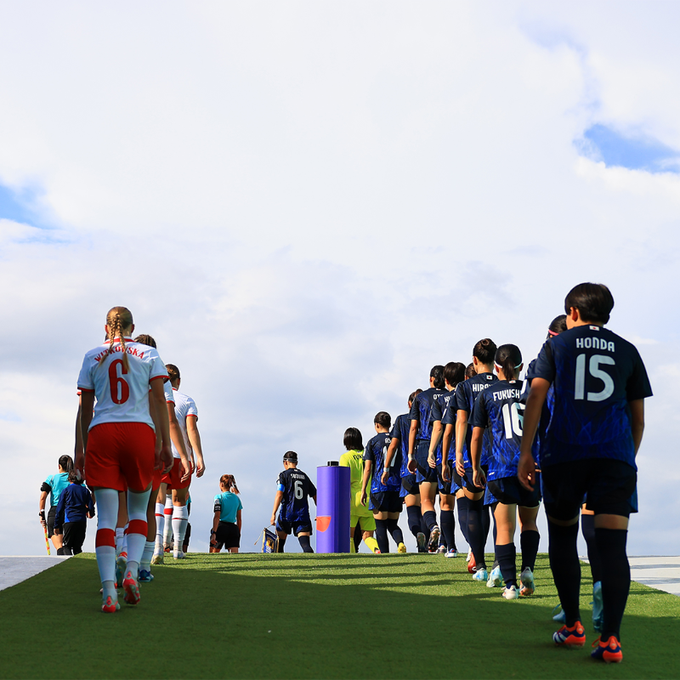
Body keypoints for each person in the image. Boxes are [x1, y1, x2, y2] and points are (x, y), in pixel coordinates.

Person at [518, 283, 652, 663]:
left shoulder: (556, 346)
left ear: (572, 313)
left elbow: (536, 395)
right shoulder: (628, 350)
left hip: (565, 455)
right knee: (612, 548)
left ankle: (573, 625)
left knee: (563, 534)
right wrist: (626, 458)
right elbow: (637, 418)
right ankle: (610, 639)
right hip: (615, 457)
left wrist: (526, 452)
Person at [78, 306, 173, 613]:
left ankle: (109, 592)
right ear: (134, 327)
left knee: (106, 518)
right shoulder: (148, 354)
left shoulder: (92, 355)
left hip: (102, 433)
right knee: (137, 513)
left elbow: (85, 406)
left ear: (106, 328)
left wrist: (81, 447)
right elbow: (159, 400)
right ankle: (131, 572)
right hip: (139, 434)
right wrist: (164, 444)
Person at [469, 344, 541, 600]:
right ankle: (528, 569)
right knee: (529, 522)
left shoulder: (486, 395)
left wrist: (476, 467)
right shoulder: (532, 389)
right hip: (532, 466)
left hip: (500, 467)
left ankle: (510, 585)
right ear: (521, 367)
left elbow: (476, 437)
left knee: (504, 528)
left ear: (496, 368)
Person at [455, 339, 498, 581]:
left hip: (475, 452)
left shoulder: (465, 387)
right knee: (498, 510)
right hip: (501, 452)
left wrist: (460, 453)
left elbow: (462, 421)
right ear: (495, 360)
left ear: (474, 360)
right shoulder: (503, 384)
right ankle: (499, 563)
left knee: (474, 507)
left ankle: (479, 565)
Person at [163, 363, 204, 560]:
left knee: (159, 500)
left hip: (158, 455)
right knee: (180, 501)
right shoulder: (187, 401)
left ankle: (158, 547)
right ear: (178, 381)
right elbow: (191, 430)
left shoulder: (152, 397)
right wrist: (198, 457)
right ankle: (177, 549)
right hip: (181, 457)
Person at [407, 366, 446, 551]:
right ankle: (447, 542)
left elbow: (413, 427)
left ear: (431, 379)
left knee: (426, 500)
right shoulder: (451, 395)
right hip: (448, 447)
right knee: (447, 501)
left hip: (424, 447)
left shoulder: (421, 398)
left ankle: (433, 526)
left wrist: (410, 455)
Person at [383, 390, 426, 551]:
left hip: (407, 471)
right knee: (427, 507)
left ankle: (418, 534)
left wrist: (386, 469)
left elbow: (393, 446)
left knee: (413, 511)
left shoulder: (401, 420)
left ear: (410, 404)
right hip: (427, 468)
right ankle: (426, 545)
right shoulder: (430, 417)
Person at [431, 361, 466, 557]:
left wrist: (434, 454)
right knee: (469, 502)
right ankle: (472, 546)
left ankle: (449, 546)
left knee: (446, 504)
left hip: (448, 454)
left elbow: (441, 429)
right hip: (468, 454)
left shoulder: (441, 400)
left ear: (446, 380)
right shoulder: (468, 394)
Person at [362, 412, 405, 554]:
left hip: (379, 486)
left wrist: (363, 490)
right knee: (393, 524)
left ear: (377, 425)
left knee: (380, 526)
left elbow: (368, 468)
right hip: (396, 486)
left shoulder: (373, 442)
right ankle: (400, 543)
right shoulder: (397, 439)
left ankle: (385, 556)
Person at [339, 428, 380, 554]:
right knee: (368, 536)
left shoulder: (346, 457)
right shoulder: (368, 455)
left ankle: (351, 558)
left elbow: (342, 482)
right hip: (369, 499)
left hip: (352, 501)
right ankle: (377, 550)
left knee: (349, 537)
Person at [271, 451, 317, 553]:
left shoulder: (283, 475)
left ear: (285, 462)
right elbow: (315, 494)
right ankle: (314, 565)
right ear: (296, 462)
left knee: (279, 545)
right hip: (302, 514)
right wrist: (320, 512)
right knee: (306, 545)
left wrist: (273, 513)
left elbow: (279, 494)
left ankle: (281, 568)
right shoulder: (304, 476)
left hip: (287, 513)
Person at [53, 470, 95, 555]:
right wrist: (90, 513)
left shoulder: (66, 490)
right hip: (82, 521)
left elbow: (60, 509)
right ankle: (78, 565)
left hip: (70, 520)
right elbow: (91, 507)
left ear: (69, 479)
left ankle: (68, 563)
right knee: (77, 547)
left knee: (67, 546)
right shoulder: (85, 491)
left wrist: (56, 525)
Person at [39, 456, 73, 554]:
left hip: (55, 511)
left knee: (59, 547)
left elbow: (42, 497)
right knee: (67, 546)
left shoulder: (52, 478)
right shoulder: (73, 479)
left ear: (59, 466)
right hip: (70, 512)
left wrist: (42, 514)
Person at [210, 475, 242, 553]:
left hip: (221, 527)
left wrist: (214, 532)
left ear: (221, 484)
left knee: (213, 555)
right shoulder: (237, 499)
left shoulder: (219, 497)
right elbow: (239, 519)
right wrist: (238, 533)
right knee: (234, 557)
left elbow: (217, 516)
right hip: (233, 528)